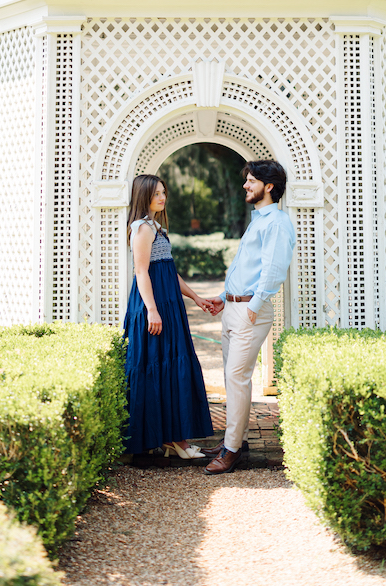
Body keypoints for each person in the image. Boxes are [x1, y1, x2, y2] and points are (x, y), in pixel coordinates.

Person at [201, 159, 296, 475]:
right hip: (234, 308)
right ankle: (234, 440)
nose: (245, 185)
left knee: (237, 378)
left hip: (250, 311)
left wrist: (253, 305)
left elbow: (272, 269)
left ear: (269, 187)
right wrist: (223, 297)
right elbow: (246, 267)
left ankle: (231, 451)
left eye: (251, 180)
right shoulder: (258, 220)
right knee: (232, 378)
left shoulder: (277, 223)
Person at [123, 173, 214, 459]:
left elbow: (168, 272)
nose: (162, 198)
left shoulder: (156, 227)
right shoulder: (142, 229)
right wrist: (152, 310)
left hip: (168, 304)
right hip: (154, 305)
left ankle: (175, 439)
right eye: (156, 194)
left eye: (163, 192)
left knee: (171, 369)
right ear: (144, 197)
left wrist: (196, 297)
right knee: (155, 368)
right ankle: (174, 442)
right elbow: (141, 271)